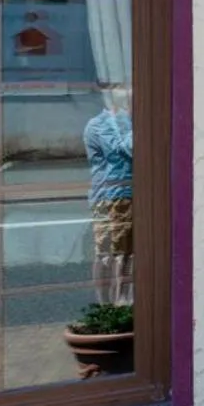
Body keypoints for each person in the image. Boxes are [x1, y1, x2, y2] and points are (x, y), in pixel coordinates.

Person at [84, 85, 134, 308]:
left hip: (119, 193)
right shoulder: (103, 124)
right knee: (112, 253)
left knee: (123, 252)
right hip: (113, 195)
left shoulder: (110, 123)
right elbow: (125, 149)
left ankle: (116, 300)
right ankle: (110, 302)